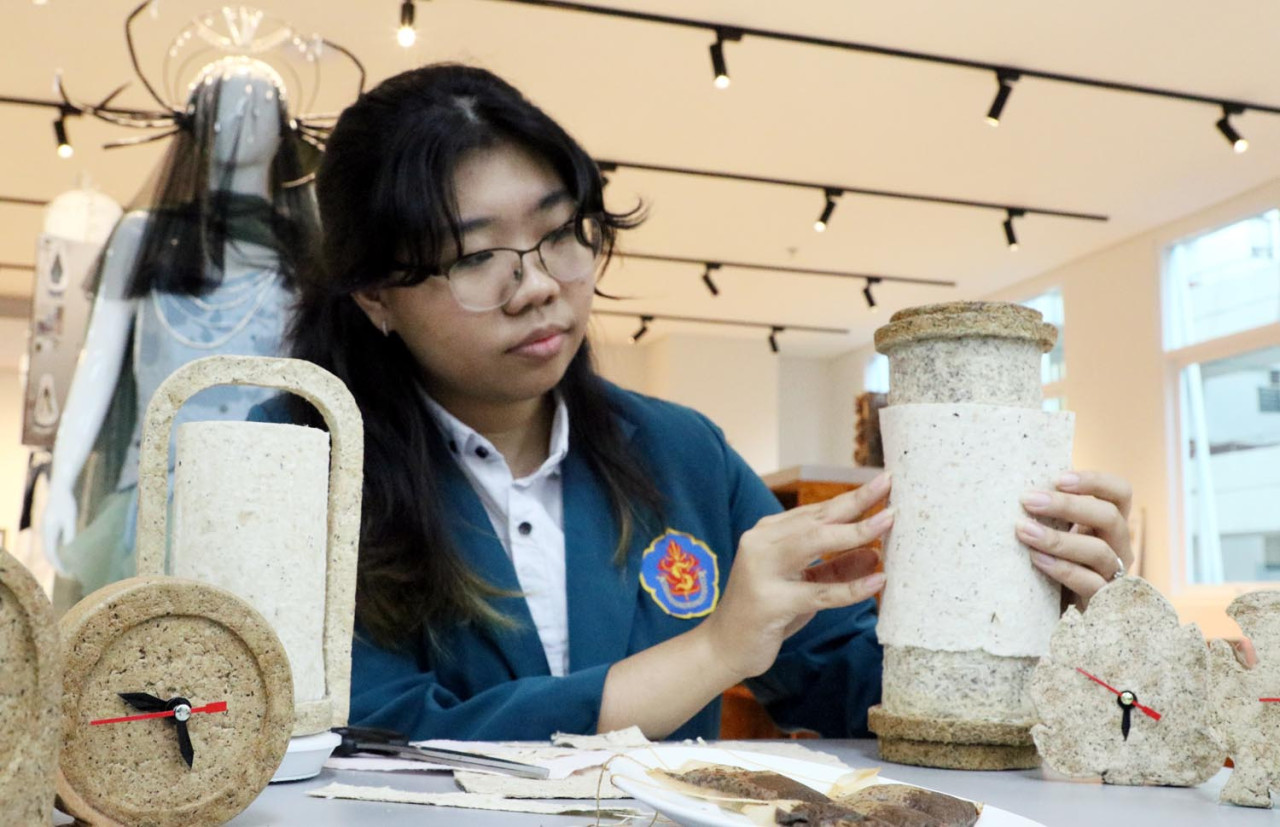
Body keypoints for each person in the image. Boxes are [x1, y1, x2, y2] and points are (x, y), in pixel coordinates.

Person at [274, 63, 1135, 742]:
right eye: (473, 257)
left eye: (561, 232)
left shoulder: (680, 454)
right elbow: (359, 734)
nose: (536, 286)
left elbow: (855, 690)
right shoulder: (296, 462)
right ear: (374, 296)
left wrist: (1047, 617)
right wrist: (714, 649)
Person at [41, 57, 320, 595]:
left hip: (266, 504)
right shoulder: (140, 237)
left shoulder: (305, 252)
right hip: (152, 495)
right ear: (196, 120)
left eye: (258, 106)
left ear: (283, 128)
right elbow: (96, 365)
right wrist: (62, 482)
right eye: (222, 105)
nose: (239, 117)